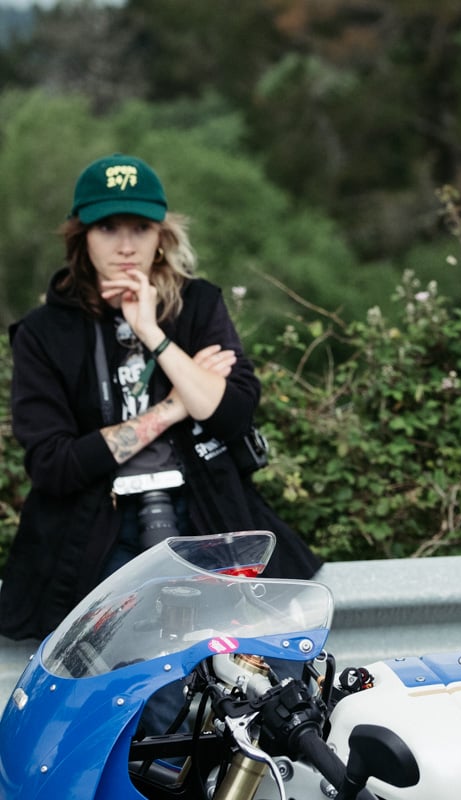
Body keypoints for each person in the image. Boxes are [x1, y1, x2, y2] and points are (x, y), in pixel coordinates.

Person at [1, 153, 322, 643]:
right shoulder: (44, 333)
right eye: (107, 228)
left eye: (141, 227)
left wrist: (152, 332)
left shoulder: (198, 305)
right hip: (96, 530)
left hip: (205, 512)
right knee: (121, 660)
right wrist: (173, 406)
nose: (126, 245)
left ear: (161, 236)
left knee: (241, 661)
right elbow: (53, 465)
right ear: (81, 237)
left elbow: (232, 416)